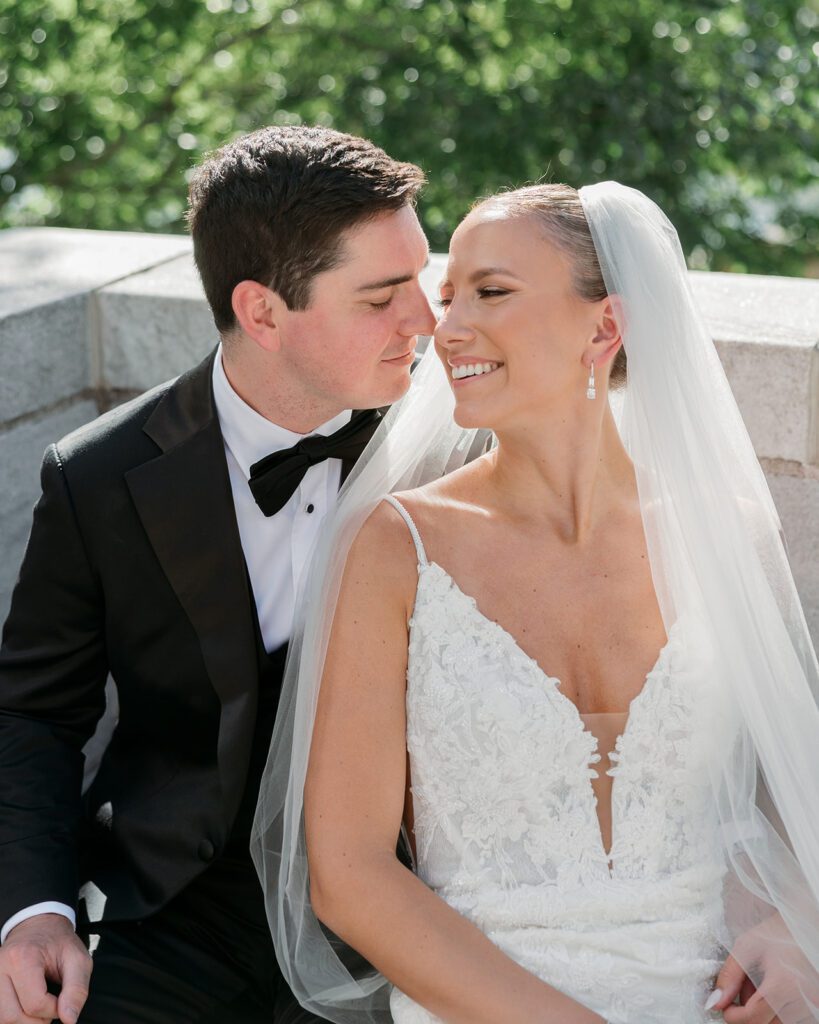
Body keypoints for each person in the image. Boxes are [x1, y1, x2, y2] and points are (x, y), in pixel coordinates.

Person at [253, 182, 819, 1023]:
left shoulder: (722, 535)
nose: (445, 329)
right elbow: (349, 876)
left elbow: (776, 798)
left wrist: (788, 925)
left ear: (604, 326)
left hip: (710, 998)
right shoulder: (394, 546)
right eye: (448, 297)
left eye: (491, 292)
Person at [0, 124, 435, 1024]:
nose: (425, 322)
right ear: (263, 312)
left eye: (421, 283)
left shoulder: (460, 448)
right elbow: (35, 712)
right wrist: (31, 913)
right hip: (173, 905)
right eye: (382, 297)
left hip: (399, 908)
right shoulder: (96, 477)